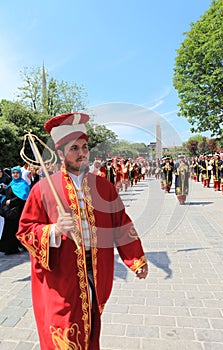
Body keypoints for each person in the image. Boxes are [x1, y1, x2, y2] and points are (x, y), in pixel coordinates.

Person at [16, 112, 148, 350]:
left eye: (84, 147)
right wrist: (54, 230)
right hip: (61, 275)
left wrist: (135, 259)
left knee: (90, 327)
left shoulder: (103, 187)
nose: (81, 153)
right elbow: (25, 231)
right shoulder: (44, 189)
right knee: (65, 332)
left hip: (96, 272)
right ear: (60, 153)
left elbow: (121, 224)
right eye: (74, 148)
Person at [0, 166, 30, 254]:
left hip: (18, 210)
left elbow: (23, 197)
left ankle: (15, 247)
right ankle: (8, 248)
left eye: (17, 173)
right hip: (10, 211)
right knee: (8, 229)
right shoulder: (11, 183)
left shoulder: (23, 184)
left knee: (15, 229)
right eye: (13, 173)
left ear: (20, 173)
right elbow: (6, 192)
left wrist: (11, 201)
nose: (15, 174)